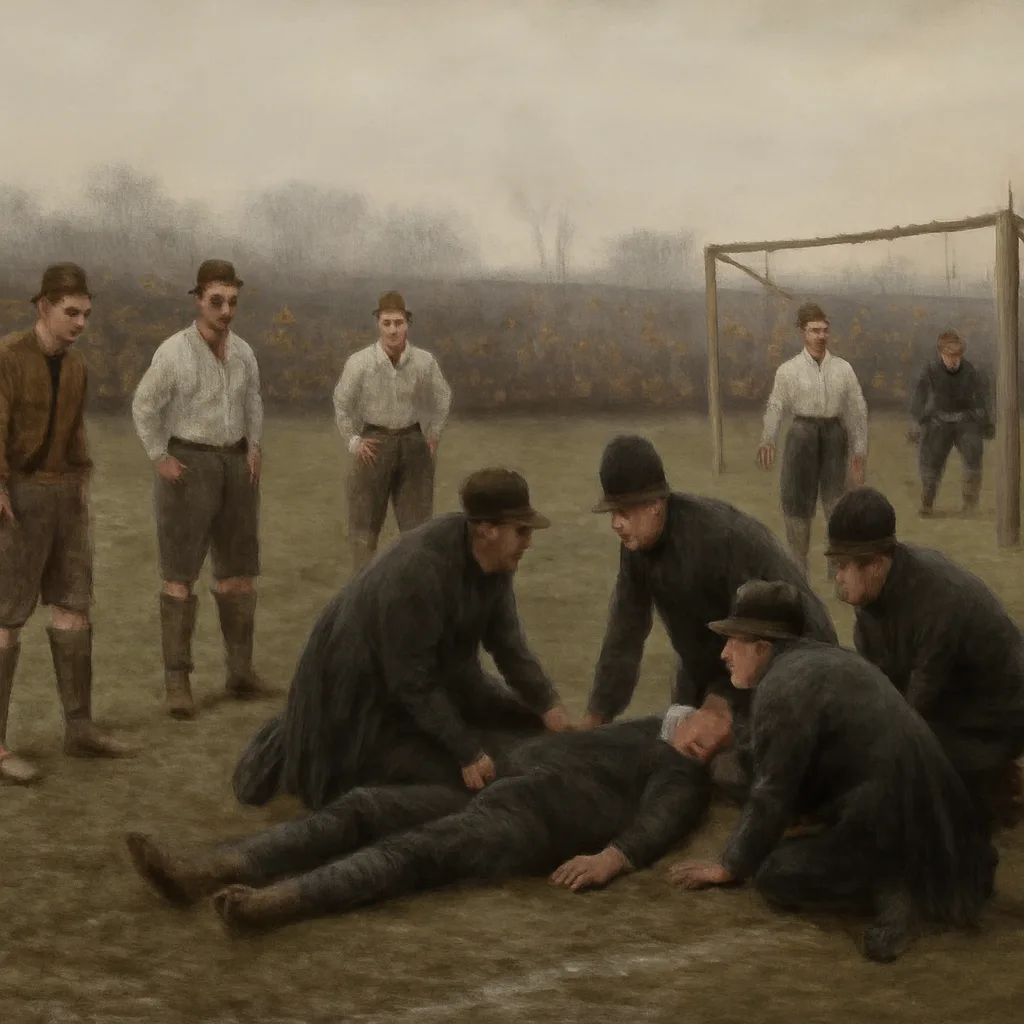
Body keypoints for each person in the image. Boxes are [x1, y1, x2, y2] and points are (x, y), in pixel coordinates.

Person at [125, 709, 713, 934]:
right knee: (364, 807)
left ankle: (276, 902)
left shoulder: (681, 767)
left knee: (415, 851)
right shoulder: (651, 728)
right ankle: (205, 870)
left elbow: (667, 815)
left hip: (529, 820)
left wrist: (613, 857)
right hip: (497, 784)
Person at [667, 580, 996, 964]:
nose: (724, 653)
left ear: (761, 647)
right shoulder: (823, 662)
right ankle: (899, 879)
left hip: (899, 827)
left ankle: (894, 889)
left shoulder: (784, 686)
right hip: (933, 819)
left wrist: (729, 865)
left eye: (733, 641)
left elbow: (772, 792)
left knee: (776, 875)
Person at [231, 467, 572, 812]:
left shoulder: (495, 563)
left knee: (525, 723)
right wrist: (467, 752)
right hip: (363, 700)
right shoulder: (419, 573)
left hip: (431, 680)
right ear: (488, 530)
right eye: (522, 531)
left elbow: (508, 646)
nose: (529, 542)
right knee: (460, 780)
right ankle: (293, 741)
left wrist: (547, 703)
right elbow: (411, 681)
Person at [582, 434, 838, 773]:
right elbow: (624, 634)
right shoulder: (636, 548)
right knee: (671, 754)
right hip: (710, 667)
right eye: (612, 512)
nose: (616, 523)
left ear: (654, 504)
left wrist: (724, 703)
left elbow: (771, 633)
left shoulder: (718, 538)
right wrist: (596, 718)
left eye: (623, 511)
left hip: (782, 662)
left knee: (729, 770)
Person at [0, 263, 139, 783]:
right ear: (44, 307)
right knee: (6, 618)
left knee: (74, 606)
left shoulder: (77, 365)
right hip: (16, 498)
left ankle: (79, 729)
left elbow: (76, 430)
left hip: (66, 496)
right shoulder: (7, 356)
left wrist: (81, 476)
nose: (80, 322)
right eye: (71, 312)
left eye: (86, 314)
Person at [826, 486, 1024, 828]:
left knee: (908, 786)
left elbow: (918, 704)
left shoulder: (938, 600)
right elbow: (877, 687)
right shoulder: (873, 596)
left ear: (875, 564)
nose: (837, 578)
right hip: (944, 706)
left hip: (993, 718)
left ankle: (999, 780)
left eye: (843, 566)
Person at [131, 259, 270, 720]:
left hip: (237, 465)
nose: (226, 311)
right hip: (188, 465)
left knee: (238, 573)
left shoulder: (244, 352)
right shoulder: (174, 351)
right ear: (198, 301)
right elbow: (144, 406)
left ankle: (240, 672)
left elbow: (253, 402)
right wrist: (159, 455)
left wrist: (254, 446)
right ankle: (178, 683)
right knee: (180, 575)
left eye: (232, 302)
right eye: (216, 301)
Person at [332, 290, 452, 574]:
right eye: (386, 323)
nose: (393, 330)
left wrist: (433, 434)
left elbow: (443, 397)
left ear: (407, 324)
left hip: (413, 443)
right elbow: (341, 402)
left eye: (398, 323)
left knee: (417, 529)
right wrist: (354, 441)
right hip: (374, 444)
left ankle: (414, 587)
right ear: (378, 323)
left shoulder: (424, 361)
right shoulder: (360, 362)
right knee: (364, 527)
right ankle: (363, 588)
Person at [756, 302, 868, 575]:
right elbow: (776, 405)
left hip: (834, 435)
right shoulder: (788, 370)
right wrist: (768, 438)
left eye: (824, 330)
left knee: (836, 501)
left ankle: (837, 566)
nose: (821, 336)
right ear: (802, 333)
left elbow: (857, 409)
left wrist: (859, 451)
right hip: (801, 435)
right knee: (796, 500)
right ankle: (798, 566)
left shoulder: (843, 369)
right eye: (814, 330)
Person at [908, 330, 994, 517]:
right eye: (949, 356)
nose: (953, 360)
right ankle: (927, 504)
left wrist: (986, 422)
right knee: (931, 463)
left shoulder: (971, 371)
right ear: (941, 354)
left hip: (965, 420)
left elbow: (981, 398)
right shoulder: (930, 370)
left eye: (956, 356)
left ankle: (970, 505)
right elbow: (920, 396)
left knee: (973, 460)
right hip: (938, 420)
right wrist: (917, 420)